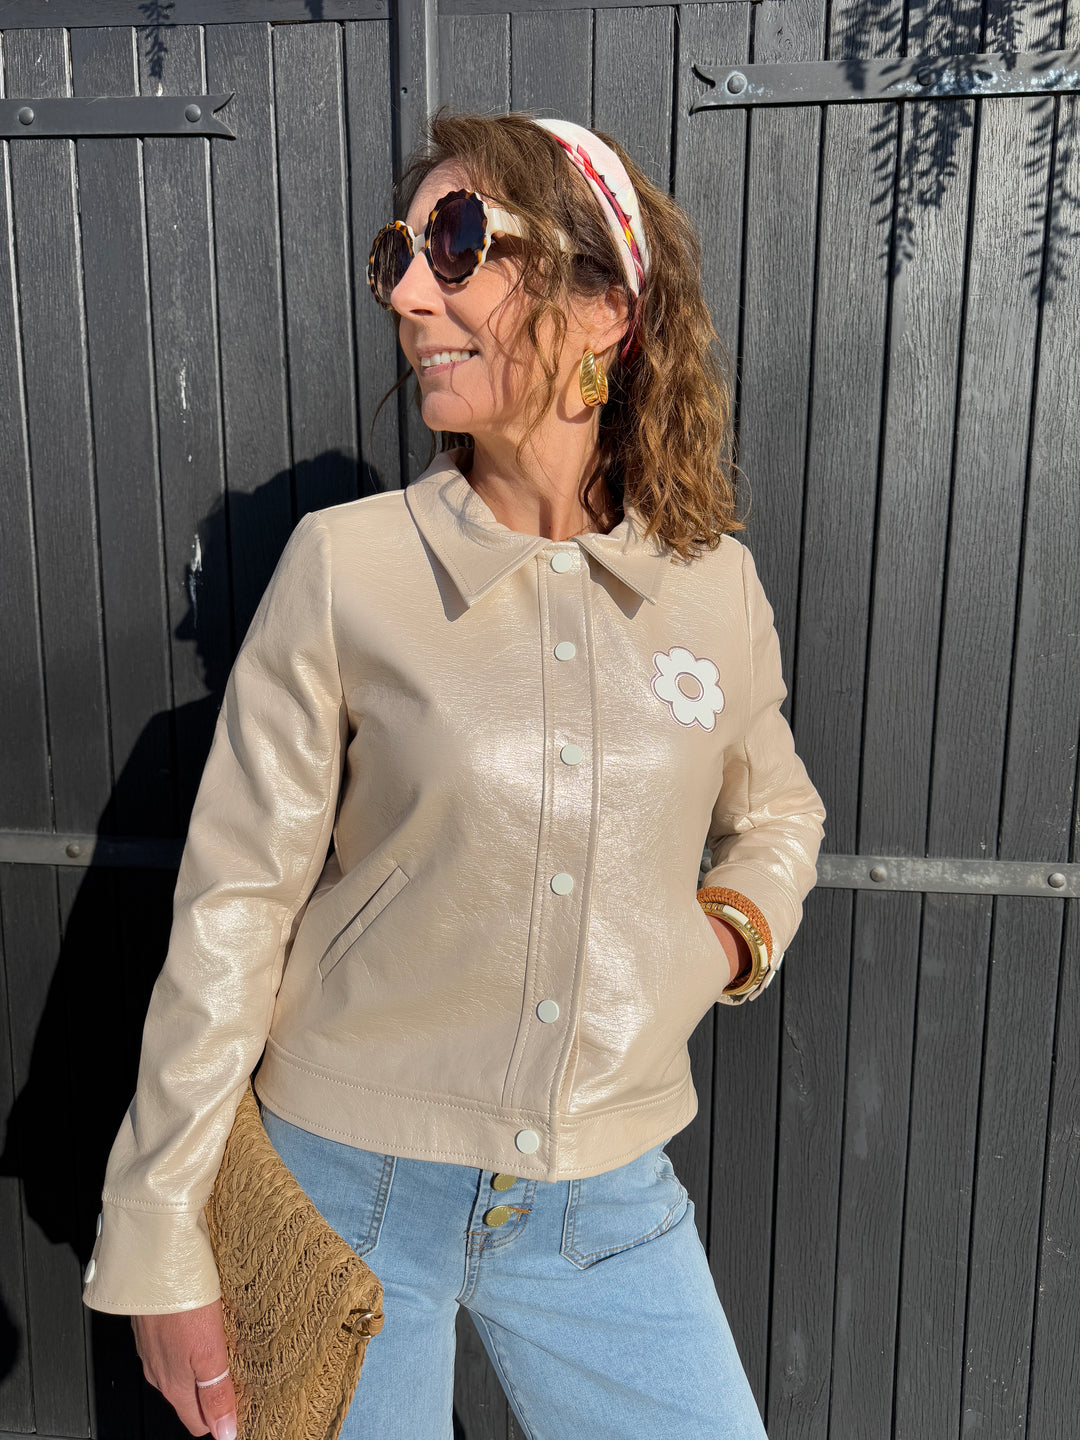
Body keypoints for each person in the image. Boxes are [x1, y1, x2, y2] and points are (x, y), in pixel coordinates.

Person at [82, 110, 825, 1440]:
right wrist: (159, 1229)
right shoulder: (345, 566)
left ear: (606, 308)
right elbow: (236, 906)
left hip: (605, 1192)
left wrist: (717, 940)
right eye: (399, 256)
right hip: (347, 1190)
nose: (410, 295)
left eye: (462, 243)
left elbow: (779, 810)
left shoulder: (712, 585)